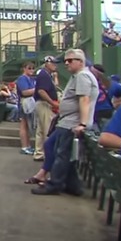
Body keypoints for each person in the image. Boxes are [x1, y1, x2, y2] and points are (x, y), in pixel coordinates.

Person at [31, 49, 98, 196]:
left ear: (80, 62)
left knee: (62, 154)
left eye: (70, 60)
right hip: (66, 122)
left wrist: (83, 124)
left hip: (72, 124)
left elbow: (84, 99)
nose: (66, 63)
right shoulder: (77, 76)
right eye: (65, 60)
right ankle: (73, 185)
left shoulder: (83, 76)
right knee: (57, 149)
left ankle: (54, 184)